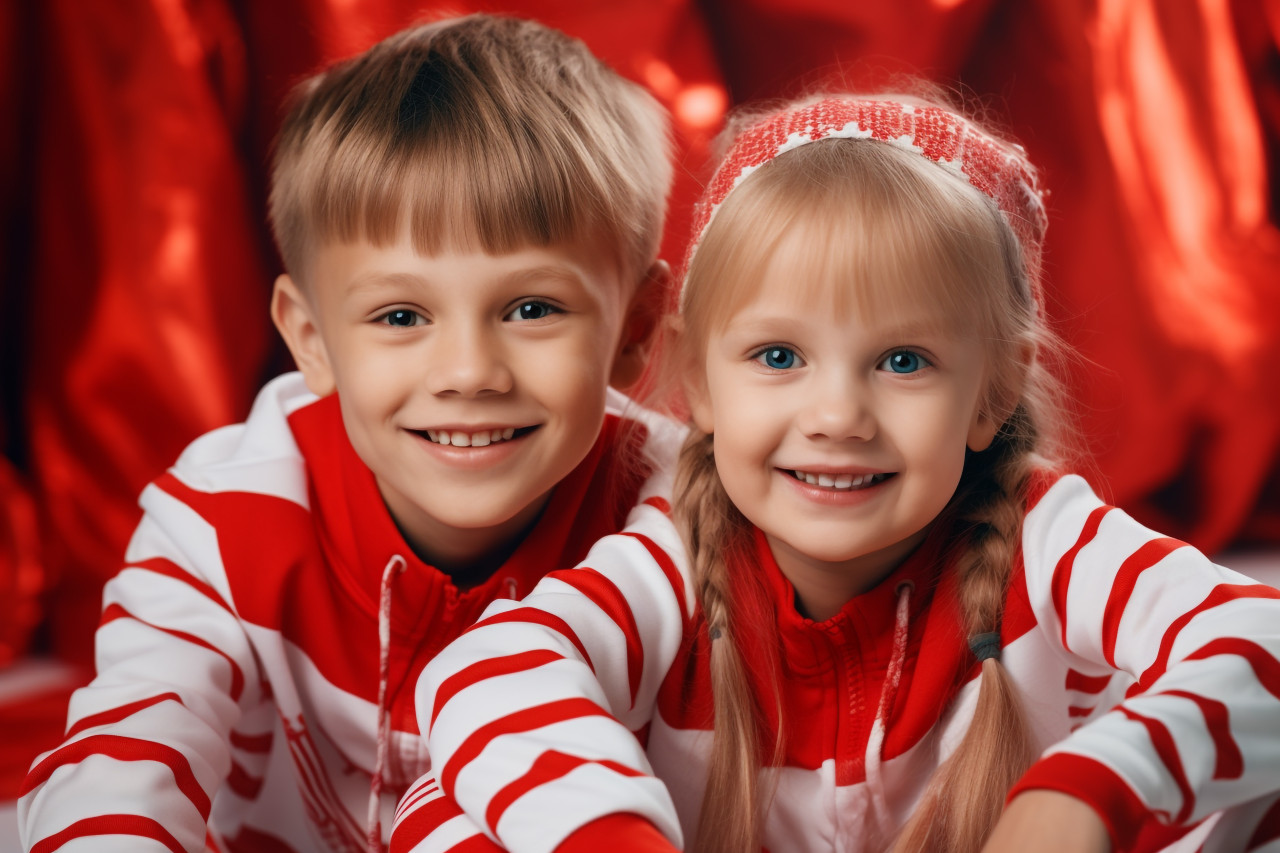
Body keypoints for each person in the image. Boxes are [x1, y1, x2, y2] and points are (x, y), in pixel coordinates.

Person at [389, 94, 1280, 853]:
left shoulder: (1044, 538)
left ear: (992, 391)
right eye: (779, 355)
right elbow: (491, 671)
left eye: (902, 362)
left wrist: (1088, 793)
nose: (837, 417)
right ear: (698, 379)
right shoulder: (678, 557)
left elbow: (1261, 640)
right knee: (449, 804)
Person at [17, 14, 680, 853]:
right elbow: (127, 755)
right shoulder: (221, 520)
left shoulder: (678, 509)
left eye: (532, 308)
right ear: (312, 340)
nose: (469, 371)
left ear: (635, 330)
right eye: (401, 314)